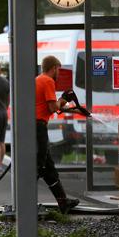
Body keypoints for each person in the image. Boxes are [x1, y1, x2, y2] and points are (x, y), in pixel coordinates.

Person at [36, 55, 79, 213]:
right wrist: (63, 99)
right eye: (58, 69)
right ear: (53, 68)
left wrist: (63, 103)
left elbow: (48, 106)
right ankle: (24, 201)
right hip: (38, 127)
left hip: (36, 126)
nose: (59, 73)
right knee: (39, 165)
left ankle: (63, 202)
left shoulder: (38, 79)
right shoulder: (48, 81)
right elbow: (53, 108)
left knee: (49, 168)